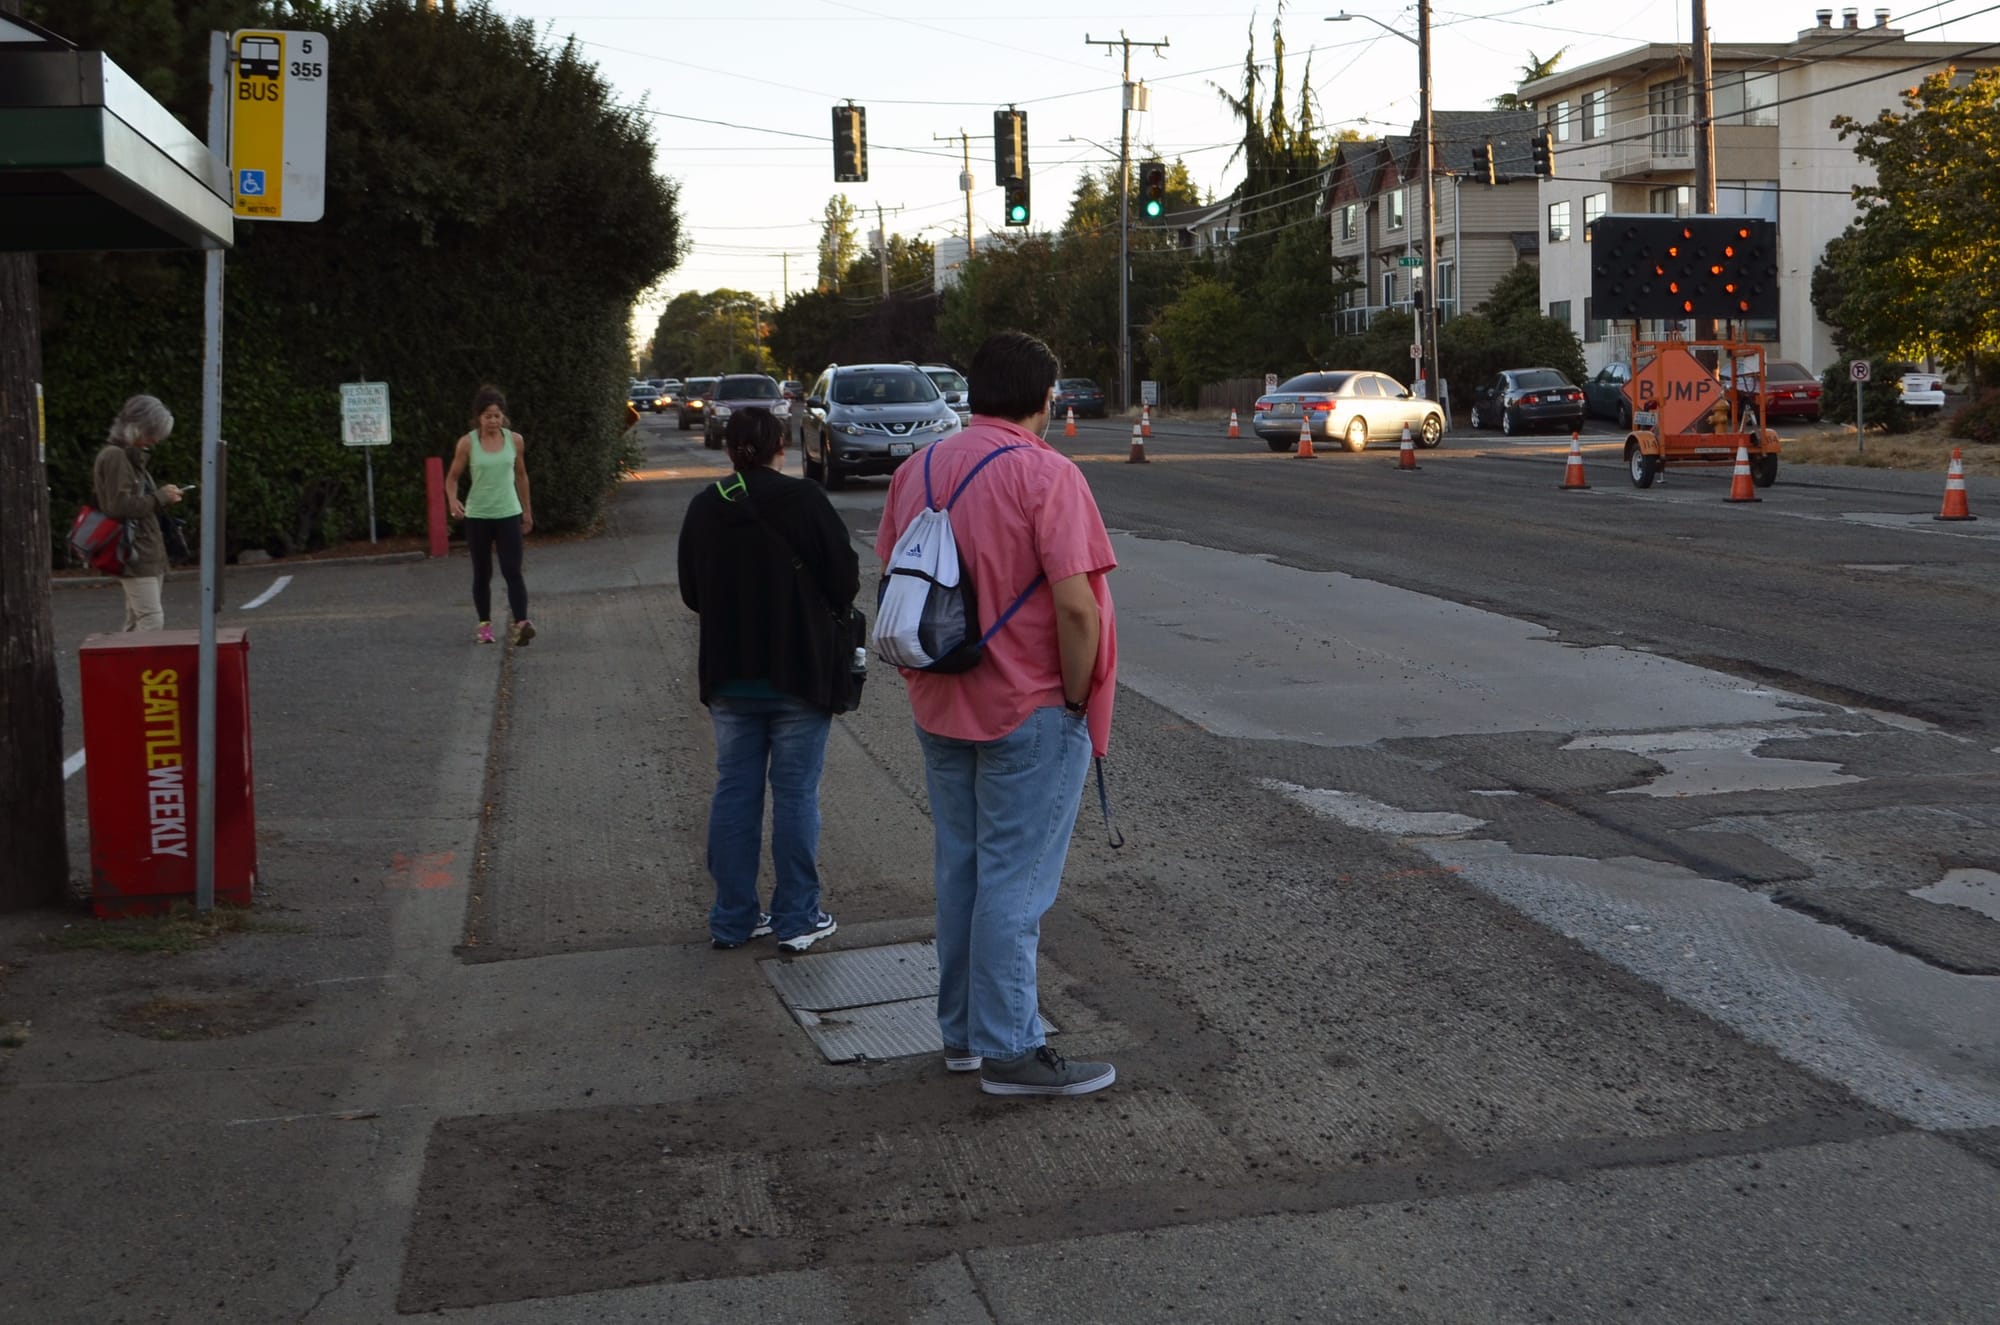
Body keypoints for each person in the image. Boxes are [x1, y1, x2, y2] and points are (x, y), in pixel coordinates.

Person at [876, 331, 1119, 1098]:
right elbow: (1077, 611)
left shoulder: (917, 468)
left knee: (963, 869)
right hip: (1027, 705)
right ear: (1046, 399)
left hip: (940, 698)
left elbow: (893, 571)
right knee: (1016, 882)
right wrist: (1076, 700)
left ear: (971, 393)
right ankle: (1013, 1049)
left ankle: (964, 1036)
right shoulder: (1047, 474)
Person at [678, 408, 857, 953]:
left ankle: (732, 918)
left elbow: (692, 592)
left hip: (730, 675)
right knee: (796, 794)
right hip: (798, 672)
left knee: (735, 793)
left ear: (729, 449)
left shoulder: (707, 507)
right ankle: (798, 918)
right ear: (782, 444)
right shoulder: (805, 501)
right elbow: (844, 581)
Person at [444, 385, 535, 646]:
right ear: (479, 418)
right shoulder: (467, 443)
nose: (493, 421)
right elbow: (451, 478)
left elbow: (521, 475)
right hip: (479, 516)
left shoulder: (515, 440)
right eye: (488, 416)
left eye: (497, 416)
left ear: (503, 416)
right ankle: (485, 625)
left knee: (512, 570)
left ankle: (521, 624)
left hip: (508, 513)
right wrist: (453, 500)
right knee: (482, 573)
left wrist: (527, 511)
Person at [92, 395, 185, 631]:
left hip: (143, 549)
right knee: (151, 619)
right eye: (152, 433)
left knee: (136, 621)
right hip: (134, 551)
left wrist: (160, 497)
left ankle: (126, 667)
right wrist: (160, 497)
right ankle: (143, 666)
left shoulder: (126, 456)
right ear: (137, 428)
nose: (154, 441)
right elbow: (118, 506)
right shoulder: (116, 456)